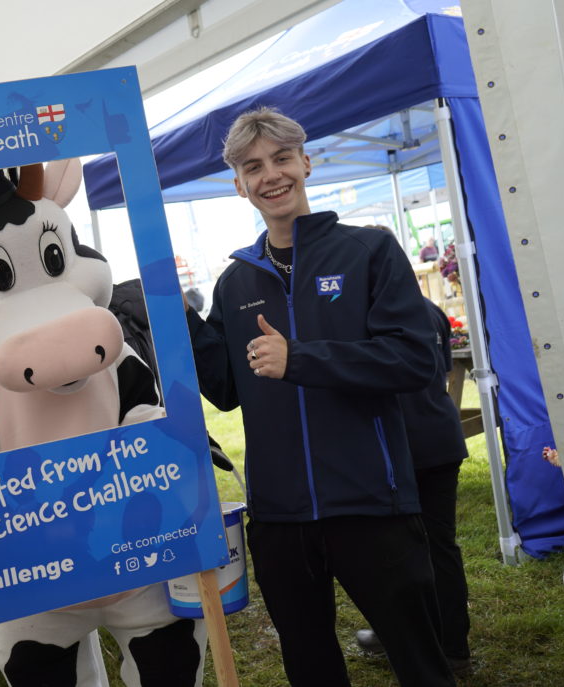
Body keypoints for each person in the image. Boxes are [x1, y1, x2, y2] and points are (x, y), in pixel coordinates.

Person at [186, 108, 454, 686]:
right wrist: (178, 319)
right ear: (239, 185)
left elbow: (415, 359)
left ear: (306, 163)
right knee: (309, 665)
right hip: (280, 517)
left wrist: (302, 359)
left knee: (420, 663)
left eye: (281, 158)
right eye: (253, 167)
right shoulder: (236, 282)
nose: (271, 175)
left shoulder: (368, 252)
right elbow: (228, 389)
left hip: (371, 504)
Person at [355, 226, 472, 677]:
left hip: (406, 443)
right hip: (435, 437)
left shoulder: (373, 315)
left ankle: (437, 645)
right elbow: (439, 369)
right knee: (433, 547)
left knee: (409, 551)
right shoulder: (428, 309)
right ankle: (442, 644)